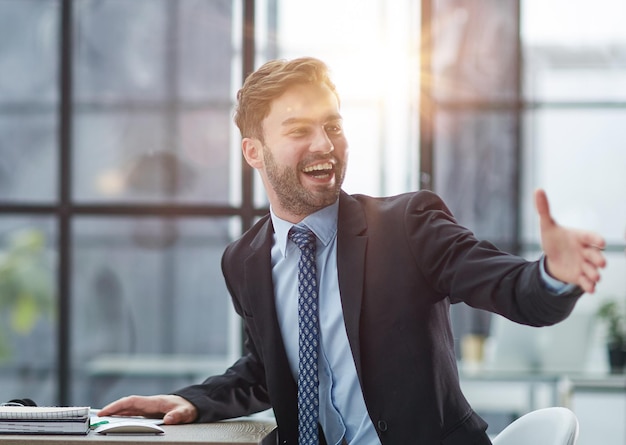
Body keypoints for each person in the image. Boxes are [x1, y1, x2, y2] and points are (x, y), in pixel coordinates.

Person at [99, 57, 606, 445]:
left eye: (333, 126)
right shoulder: (244, 258)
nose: (325, 144)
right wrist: (190, 400)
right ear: (254, 151)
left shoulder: (406, 225)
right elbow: (268, 369)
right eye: (299, 130)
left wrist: (553, 275)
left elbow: (513, 290)